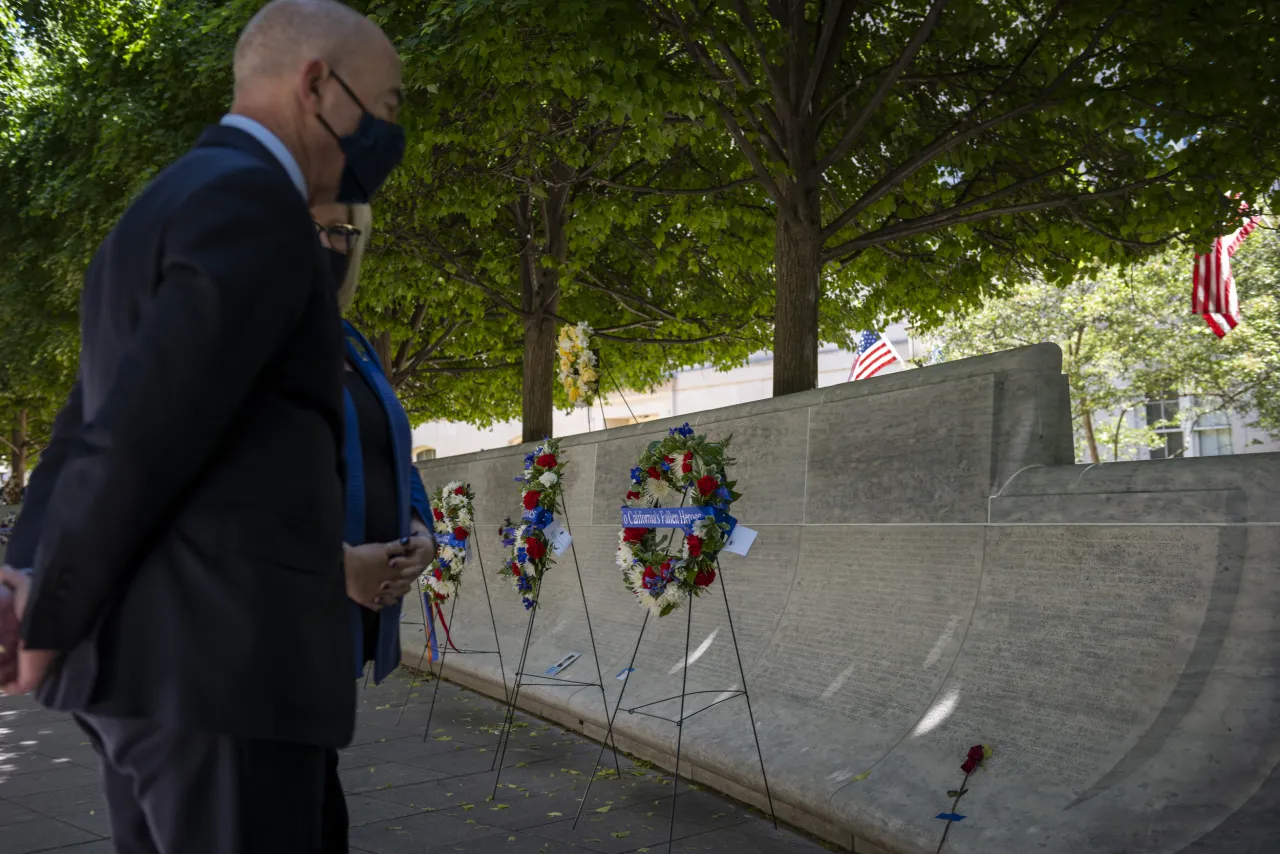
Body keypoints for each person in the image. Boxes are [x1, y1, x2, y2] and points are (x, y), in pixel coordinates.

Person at [0, 1, 415, 851]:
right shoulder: (257, 206)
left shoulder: (162, 205)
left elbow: (90, 419)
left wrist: (25, 572)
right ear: (317, 86)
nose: (389, 129)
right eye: (387, 102)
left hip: (157, 683)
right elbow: (144, 431)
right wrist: (47, 619)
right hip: (224, 674)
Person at [312, 200, 439, 849]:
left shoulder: (350, 343)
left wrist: (422, 531)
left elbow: (394, 455)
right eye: (313, 225)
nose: (331, 244)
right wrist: (336, 563)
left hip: (340, 628)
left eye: (343, 230)